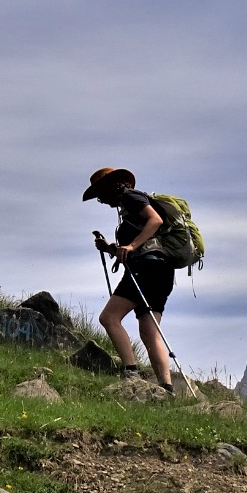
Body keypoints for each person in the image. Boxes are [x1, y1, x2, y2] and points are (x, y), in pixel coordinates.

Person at [83, 167, 176, 393]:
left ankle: (130, 373)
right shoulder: (128, 207)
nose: (101, 201)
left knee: (109, 318)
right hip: (162, 270)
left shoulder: (131, 197)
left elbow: (155, 221)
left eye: (100, 195)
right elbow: (137, 245)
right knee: (149, 331)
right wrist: (110, 249)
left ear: (111, 187)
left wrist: (131, 246)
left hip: (146, 268)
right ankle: (166, 389)